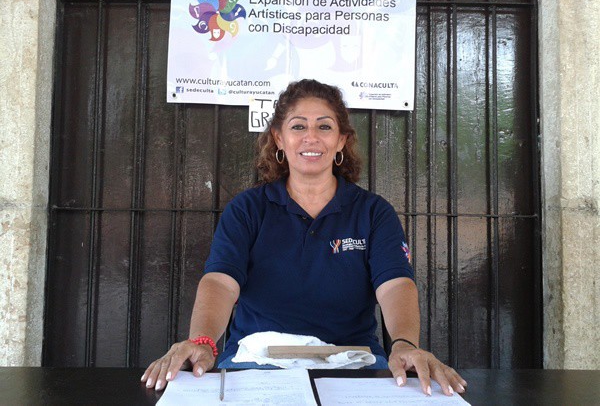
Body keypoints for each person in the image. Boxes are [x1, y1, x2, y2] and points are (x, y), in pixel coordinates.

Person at [141, 79, 467, 396]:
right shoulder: (247, 208)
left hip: (353, 364)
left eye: (324, 126)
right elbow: (221, 282)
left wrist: (405, 345)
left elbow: (395, 284)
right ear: (279, 138)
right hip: (256, 363)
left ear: (341, 140)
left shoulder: (373, 211)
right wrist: (202, 341)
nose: (311, 137)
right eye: (298, 126)